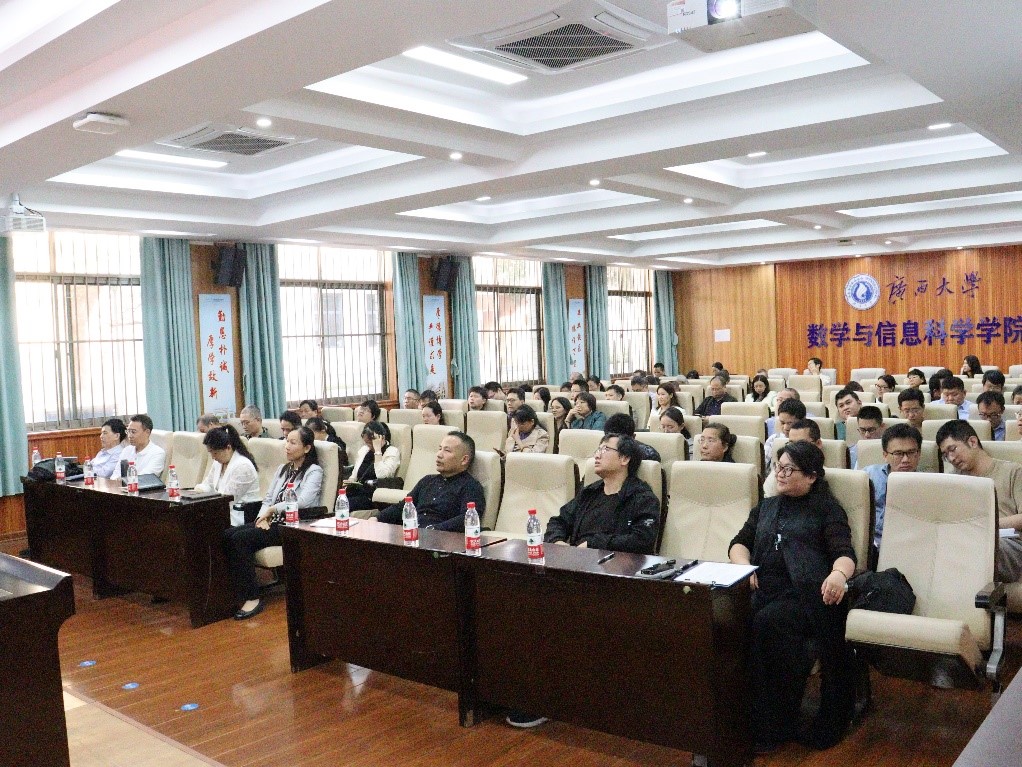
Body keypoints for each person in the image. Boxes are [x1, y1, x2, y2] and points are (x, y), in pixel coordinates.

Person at [729, 441, 856, 752]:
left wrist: (838, 575)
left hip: (806, 594)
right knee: (725, 617)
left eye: (789, 469)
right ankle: (733, 715)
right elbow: (739, 543)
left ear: (811, 476)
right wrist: (744, 567)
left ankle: (773, 724)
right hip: (763, 586)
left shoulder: (827, 509)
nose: (780, 474)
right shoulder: (766, 507)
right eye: (778, 467)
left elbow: (844, 553)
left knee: (768, 622)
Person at [222, 426, 323, 620]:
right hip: (272, 519)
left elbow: (303, 501)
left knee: (240, 539)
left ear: (307, 448)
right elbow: (268, 499)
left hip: (294, 523)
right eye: (287, 441)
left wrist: (273, 511)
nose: (287, 446)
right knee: (228, 534)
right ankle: (237, 590)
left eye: (293, 443)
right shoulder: (283, 469)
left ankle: (252, 598)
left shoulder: (313, 471)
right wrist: (261, 518)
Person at [936, 420, 1022, 582]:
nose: (951, 458)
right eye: (945, 455)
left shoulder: (1013, 472)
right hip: (967, 538)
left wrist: (988, 524)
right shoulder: (954, 480)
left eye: (952, 449)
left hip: (1008, 544)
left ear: (972, 442)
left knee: (980, 547)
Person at [376, 432, 485, 531]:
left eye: (447, 450)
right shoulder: (427, 481)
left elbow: (467, 519)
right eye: (440, 448)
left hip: (440, 539)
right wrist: (377, 519)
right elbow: (403, 506)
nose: (439, 454)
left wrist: (433, 530)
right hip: (413, 533)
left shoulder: (470, 486)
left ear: (464, 459)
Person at [860, 424, 923, 569]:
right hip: (868, 544)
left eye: (911, 452)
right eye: (898, 453)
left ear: (919, 453)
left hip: (904, 549)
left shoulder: (927, 484)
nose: (905, 459)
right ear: (885, 455)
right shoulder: (868, 475)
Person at [195, 425, 261, 526]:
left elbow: (227, 499)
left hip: (240, 515)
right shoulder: (218, 463)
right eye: (210, 453)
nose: (213, 457)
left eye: (215, 453)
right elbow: (208, 484)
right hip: (222, 511)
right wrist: (197, 491)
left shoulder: (243, 466)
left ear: (228, 448)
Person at [345, 421, 401, 513]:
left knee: (346, 504)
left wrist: (378, 450)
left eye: (371, 443)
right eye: (367, 443)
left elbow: (382, 475)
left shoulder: (392, 451)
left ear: (382, 438)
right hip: (357, 491)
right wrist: (349, 482)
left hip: (373, 494)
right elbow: (354, 475)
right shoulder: (364, 450)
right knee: (339, 499)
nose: (369, 446)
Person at [113, 414, 166, 479]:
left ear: (147, 432)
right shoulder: (126, 450)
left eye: (133, 432)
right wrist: (116, 480)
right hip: (121, 485)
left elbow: (144, 479)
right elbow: (116, 473)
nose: (130, 436)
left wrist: (121, 480)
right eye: (128, 431)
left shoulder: (157, 453)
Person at [764, 398, 807, 470]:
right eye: (782, 423)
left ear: (802, 420)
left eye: (790, 423)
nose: (785, 428)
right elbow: (765, 466)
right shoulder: (773, 439)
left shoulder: (810, 439)